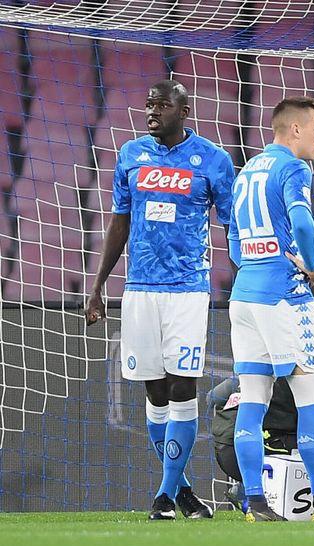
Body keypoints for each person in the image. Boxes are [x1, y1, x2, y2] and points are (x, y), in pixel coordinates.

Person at [85, 80, 232, 521]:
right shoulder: (131, 155)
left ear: (184, 111)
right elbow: (119, 222)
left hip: (188, 289)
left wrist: (244, 280)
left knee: (182, 385)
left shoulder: (213, 160)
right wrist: (98, 286)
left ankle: (164, 497)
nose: (152, 111)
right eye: (148, 104)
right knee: (154, 390)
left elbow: (232, 227)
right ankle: (181, 492)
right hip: (140, 289)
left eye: (162, 105)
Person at [227, 96, 314, 522]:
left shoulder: (247, 171)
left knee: (253, 399)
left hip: (244, 296)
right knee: (312, 399)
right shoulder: (294, 167)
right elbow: (304, 222)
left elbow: (233, 239)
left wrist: (255, 265)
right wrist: (310, 265)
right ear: (295, 130)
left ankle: (255, 503)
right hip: (283, 297)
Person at [210, 309, 314, 483]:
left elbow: (214, 396)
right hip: (253, 444)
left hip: (232, 440)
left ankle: (247, 491)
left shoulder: (307, 351)